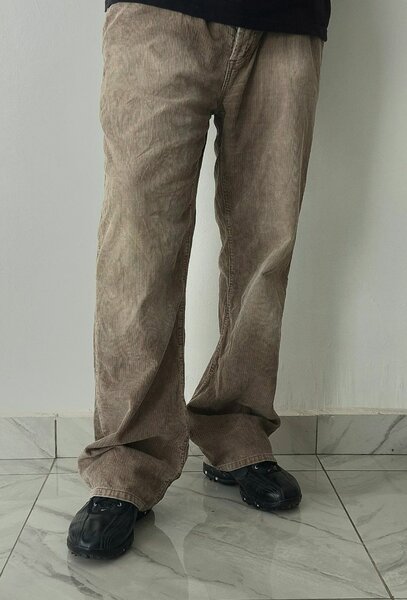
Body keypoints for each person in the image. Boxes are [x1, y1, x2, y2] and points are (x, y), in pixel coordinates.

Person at [67, 0, 331, 560]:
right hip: (156, 14)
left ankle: (237, 429)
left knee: (266, 243)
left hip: (287, 20)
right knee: (137, 247)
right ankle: (125, 461)